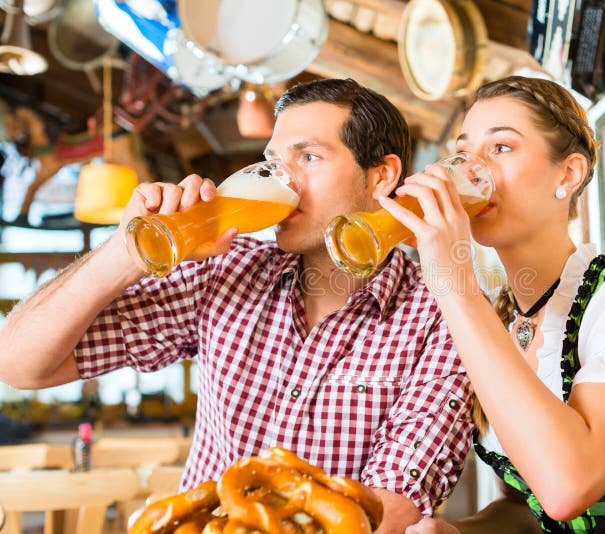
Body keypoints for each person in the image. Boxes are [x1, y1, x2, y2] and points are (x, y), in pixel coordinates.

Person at [0, 78, 474, 532]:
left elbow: (391, 510)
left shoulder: (440, 314)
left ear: (382, 177)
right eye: (273, 160)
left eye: (308, 156)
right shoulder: (225, 271)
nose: (284, 179)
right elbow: (20, 365)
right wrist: (125, 254)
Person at [375, 76, 605, 533]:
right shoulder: (496, 318)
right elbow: (526, 505)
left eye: (502, 148)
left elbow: (568, 486)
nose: (471, 171)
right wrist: (459, 531)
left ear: (567, 175)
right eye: (463, 152)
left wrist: (453, 282)